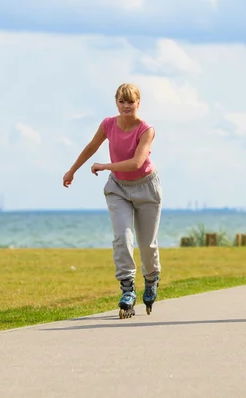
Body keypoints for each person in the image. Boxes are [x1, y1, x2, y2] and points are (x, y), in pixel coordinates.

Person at [62, 83, 162, 319]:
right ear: (116, 103)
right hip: (118, 188)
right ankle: (127, 289)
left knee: (147, 244)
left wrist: (104, 165)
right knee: (122, 238)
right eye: (122, 102)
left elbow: (137, 163)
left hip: (147, 188)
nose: (126, 106)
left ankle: (151, 278)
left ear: (139, 103)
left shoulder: (146, 130)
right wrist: (72, 170)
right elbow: (91, 146)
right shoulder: (108, 124)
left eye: (131, 102)